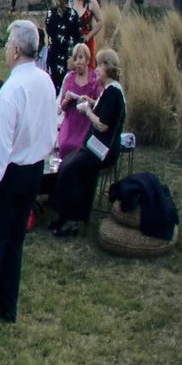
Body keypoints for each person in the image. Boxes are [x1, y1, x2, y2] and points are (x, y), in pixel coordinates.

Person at [0, 21, 58, 325]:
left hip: (6, 176)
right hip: (33, 172)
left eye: (7, 46)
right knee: (15, 243)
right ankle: (7, 305)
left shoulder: (11, 90)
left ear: (17, 50)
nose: (5, 50)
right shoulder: (45, 81)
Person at [48, 47, 127, 233]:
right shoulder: (109, 91)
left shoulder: (113, 93)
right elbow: (104, 110)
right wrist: (91, 101)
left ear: (109, 68)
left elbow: (103, 125)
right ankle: (65, 215)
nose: (97, 69)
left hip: (104, 149)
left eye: (100, 65)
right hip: (96, 146)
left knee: (72, 168)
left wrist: (87, 111)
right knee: (66, 163)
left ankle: (70, 218)